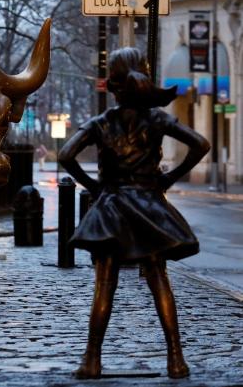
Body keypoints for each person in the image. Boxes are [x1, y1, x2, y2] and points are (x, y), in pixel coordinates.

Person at [58, 47, 210, 379]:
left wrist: (94, 187)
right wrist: (168, 178)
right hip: (149, 205)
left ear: (112, 85)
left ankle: (92, 360)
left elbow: (66, 154)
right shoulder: (156, 119)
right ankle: (176, 360)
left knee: (104, 286)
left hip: (111, 207)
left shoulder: (102, 122)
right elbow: (201, 144)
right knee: (159, 281)